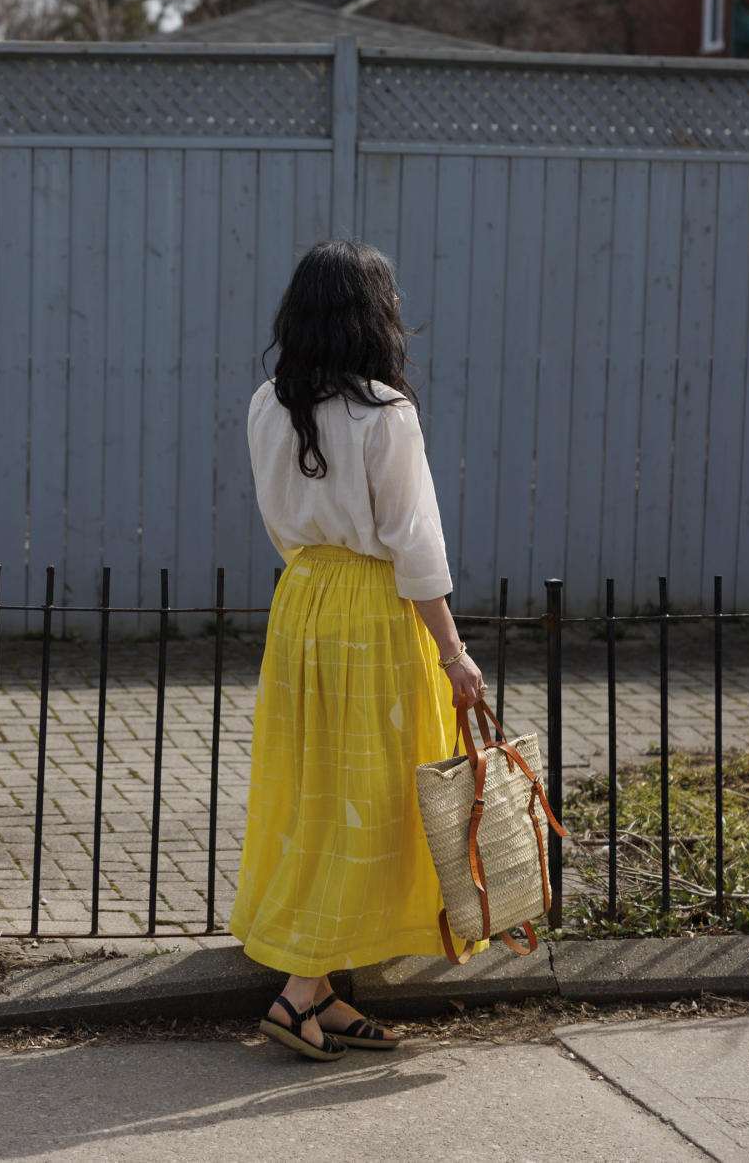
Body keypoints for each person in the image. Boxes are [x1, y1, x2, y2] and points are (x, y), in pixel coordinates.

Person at [228, 240, 486, 1062]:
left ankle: (326, 990)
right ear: (374, 315)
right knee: (372, 797)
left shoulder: (268, 404)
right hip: (375, 610)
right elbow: (416, 543)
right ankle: (300, 993)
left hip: (302, 601)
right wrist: (453, 653)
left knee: (315, 791)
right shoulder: (384, 411)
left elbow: (280, 522)